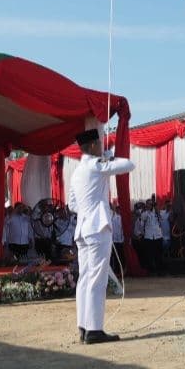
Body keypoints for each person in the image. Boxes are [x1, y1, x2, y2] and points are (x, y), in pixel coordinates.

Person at [69, 128, 135, 344]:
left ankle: (83, 326)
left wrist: (88, 208)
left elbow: (72, 204)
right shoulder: (96, 166)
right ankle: (94, 330)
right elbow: (129, 165)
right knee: (96, 280)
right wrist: (109, 158)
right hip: (97, 228)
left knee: (85, 279)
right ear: (92, 147)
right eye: (100, 144)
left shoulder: (77, 171)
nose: (102, 147)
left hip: (83, 229)